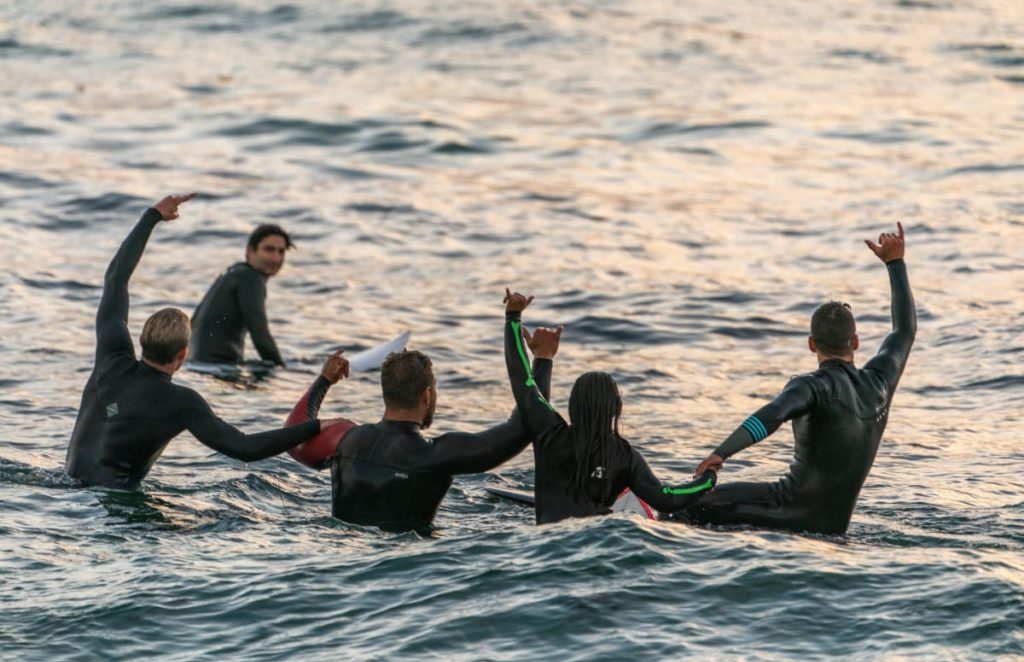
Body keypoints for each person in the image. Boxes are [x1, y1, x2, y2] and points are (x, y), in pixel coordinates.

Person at [64, 195, 345, 489]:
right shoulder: (182, 402)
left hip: (68, 490)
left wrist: (152, 216)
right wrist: (315, 426)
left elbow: (115, 279)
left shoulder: (111, 358)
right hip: (116, 506)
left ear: (141, 340)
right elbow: (244, 447)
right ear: (183, 355)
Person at [679, 223, 916, 535]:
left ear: (811, 344)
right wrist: (895, 264)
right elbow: (904, 331)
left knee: (684, 508)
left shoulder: (811, 386)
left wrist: (721, 452)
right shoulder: (880, 383)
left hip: (787, 511)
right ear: (855, 342)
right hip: (833, 528)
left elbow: (771, 415)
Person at [283, 343, 552, 534]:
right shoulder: (435, 456)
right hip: (409, 577)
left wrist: (324, 381)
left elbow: (294, 434)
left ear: (385, 393)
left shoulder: (346, 439)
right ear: (426, 395)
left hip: (341, 556)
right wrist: (542, 358)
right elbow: (523, 426)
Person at [503, 289, 716, 525]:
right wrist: (708, 478)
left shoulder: (551, 435)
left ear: (573, 406)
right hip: (603, 542)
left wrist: (514, 319)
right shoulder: (625, 457)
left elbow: (522, 379)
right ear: (616, 408)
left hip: (548, 543)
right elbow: (668, 499)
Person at [188, 223, 293, 366]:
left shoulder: (233, 274)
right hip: (217, 366)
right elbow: (261, 338)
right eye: (269, 250)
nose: (276, 258)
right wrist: (283, 370)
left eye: (281, 252)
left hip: (196, 364)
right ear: (250, 251)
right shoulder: (249, 277)